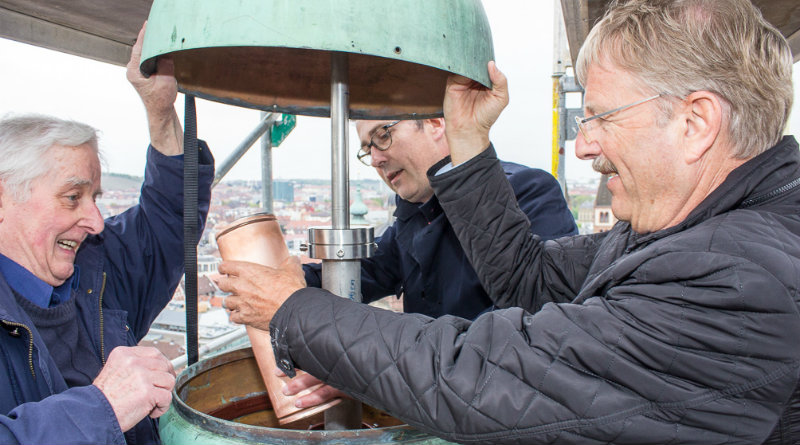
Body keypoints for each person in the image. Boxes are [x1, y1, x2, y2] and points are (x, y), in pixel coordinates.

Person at [217, 0, 799, 443]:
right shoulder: (677, 232)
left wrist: (292, 310)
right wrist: (469, 141)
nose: (584, 145)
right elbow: (533, 283)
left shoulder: (737, 281)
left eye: (600, 117)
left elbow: (489, 376)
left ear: (695, 123)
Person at [0, 24, 214, 445]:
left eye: (94, 196)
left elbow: (169, 217)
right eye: (73, 197)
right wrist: (104, 407)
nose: (96, 221)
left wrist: (159, 109)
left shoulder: (98, 269)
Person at [304, 118, 576, 320]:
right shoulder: (414, 212)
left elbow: (531, 326)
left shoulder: (526, 191)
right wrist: (292, 277)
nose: (375, 159)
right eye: (367, 149)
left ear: (435, 124)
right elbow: (368, 270)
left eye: (383, 135)